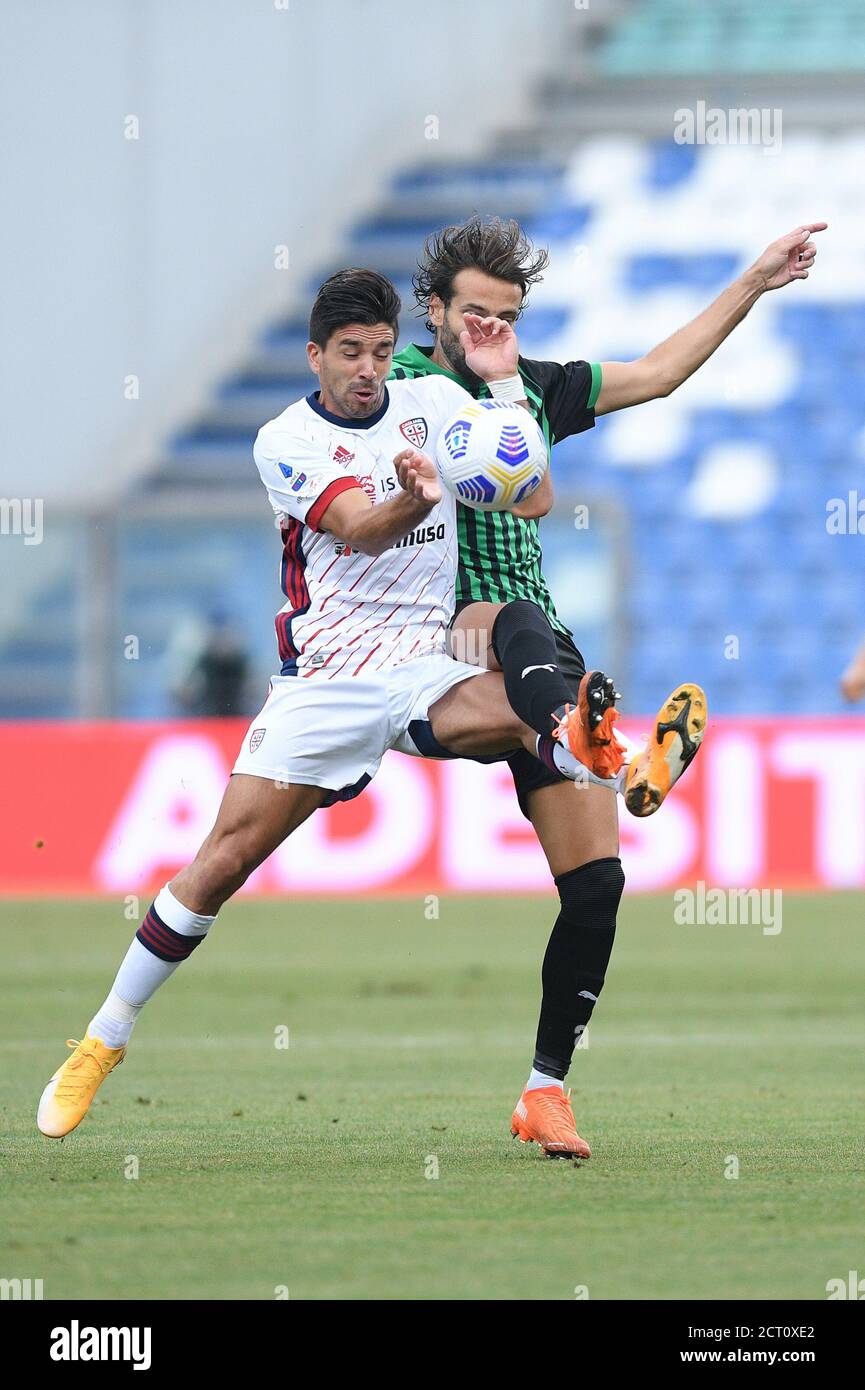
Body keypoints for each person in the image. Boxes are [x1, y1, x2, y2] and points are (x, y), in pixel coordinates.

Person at [35, 269, 638, 1147]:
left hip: (426, 660)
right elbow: (357, 526)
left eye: (381, 352)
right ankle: (104, 1037)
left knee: (515, 637)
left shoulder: (426, 400)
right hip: (326, 681)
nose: (367, 369)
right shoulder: (283, 439)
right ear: (315, 355)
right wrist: (418, 495)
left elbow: (533, 493)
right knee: (222, 863)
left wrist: (503, 441)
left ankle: (577, 745)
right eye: (349, 353)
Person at [392, 215, 824, 1156]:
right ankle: (605, 748)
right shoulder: (398, 394)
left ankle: (545, 1092)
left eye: (504, 316)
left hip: (535, 651)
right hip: (433, 639)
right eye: (472, 313)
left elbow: (659, 371)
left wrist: (752, 281)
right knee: (511, 630)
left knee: (595, 889)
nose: (487, 330)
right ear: (433, 309)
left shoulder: (531, 388)